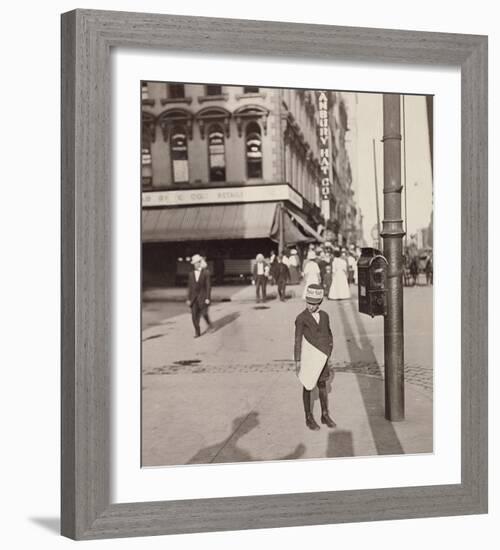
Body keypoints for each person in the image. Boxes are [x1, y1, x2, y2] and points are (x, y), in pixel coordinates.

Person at [294, 284, 336, 430]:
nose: (311, 306)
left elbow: (329, 334)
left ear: (320, 303)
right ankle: (308, 416)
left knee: (322, 384)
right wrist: (298, 360)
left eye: (314, 304)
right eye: (308, 303)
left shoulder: (324, 316)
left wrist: (329, 351)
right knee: (307, 384)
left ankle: (325, 414)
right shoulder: (301, 318)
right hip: (309, 357)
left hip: (322, 356)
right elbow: (298, 339)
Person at [186, 254, 212, 338]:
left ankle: (209, 324)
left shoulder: (206, 273)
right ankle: (197, 332)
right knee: (194, 316)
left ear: (200, 263)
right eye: (193, 263)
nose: (194, 265)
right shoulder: (191, 274)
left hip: (203, 297)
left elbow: (208, 286)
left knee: (204, 314)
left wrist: (208, 298)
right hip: (194, 299)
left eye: (196, 263)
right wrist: (188, 298)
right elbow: (190, 287)